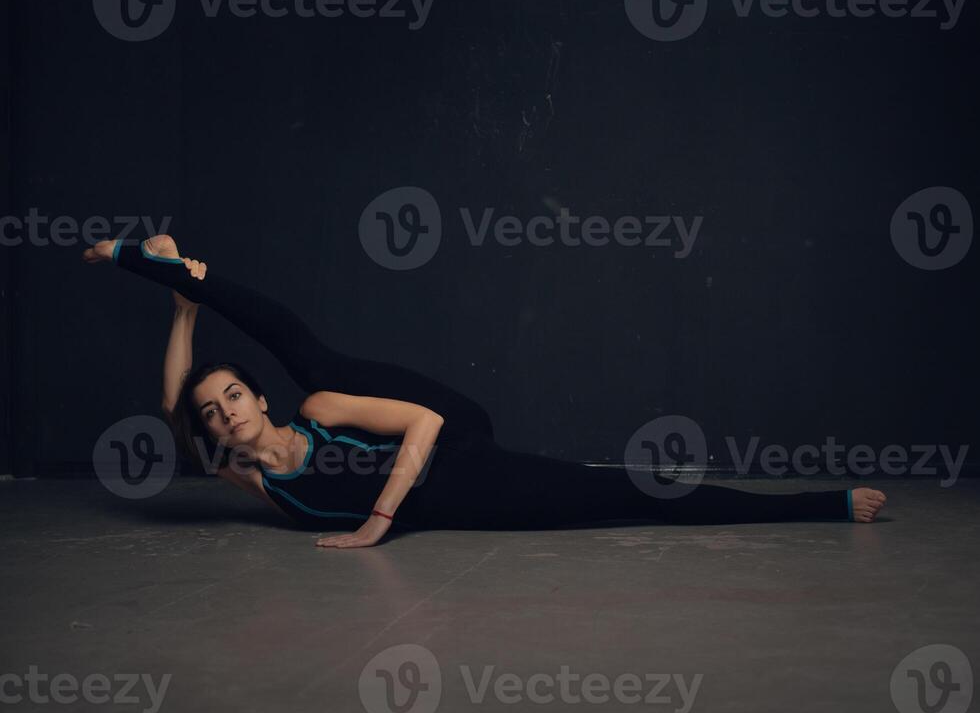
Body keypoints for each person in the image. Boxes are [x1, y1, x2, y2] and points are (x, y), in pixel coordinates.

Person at [83, 234, 887, 548]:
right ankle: (179, 278)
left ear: (259, 399)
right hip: (462, 497)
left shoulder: (316, 412)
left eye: (235, 395)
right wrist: (180, 307)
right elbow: (171, 408)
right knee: (619, 496)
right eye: (215, 410)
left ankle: (822, 501)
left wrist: (376, 526)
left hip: (451, 445)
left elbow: (427, 421)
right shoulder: (246, 473)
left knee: (317, 363)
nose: (225, 410)